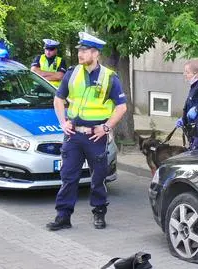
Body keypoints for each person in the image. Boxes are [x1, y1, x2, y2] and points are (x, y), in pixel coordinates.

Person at [46, 32, 127, 231]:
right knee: (68, 177)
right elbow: (58, 99)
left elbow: (121, 107)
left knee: (98, 178)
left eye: (84, 51)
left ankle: (99, 213)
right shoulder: (73, 73)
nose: (80, 54)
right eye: (79, 50)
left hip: (95, 135)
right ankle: (63, 216)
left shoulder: (109, 77)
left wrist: (107, 127)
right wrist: (62, 121)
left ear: (95, 53)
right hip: (73, 135)